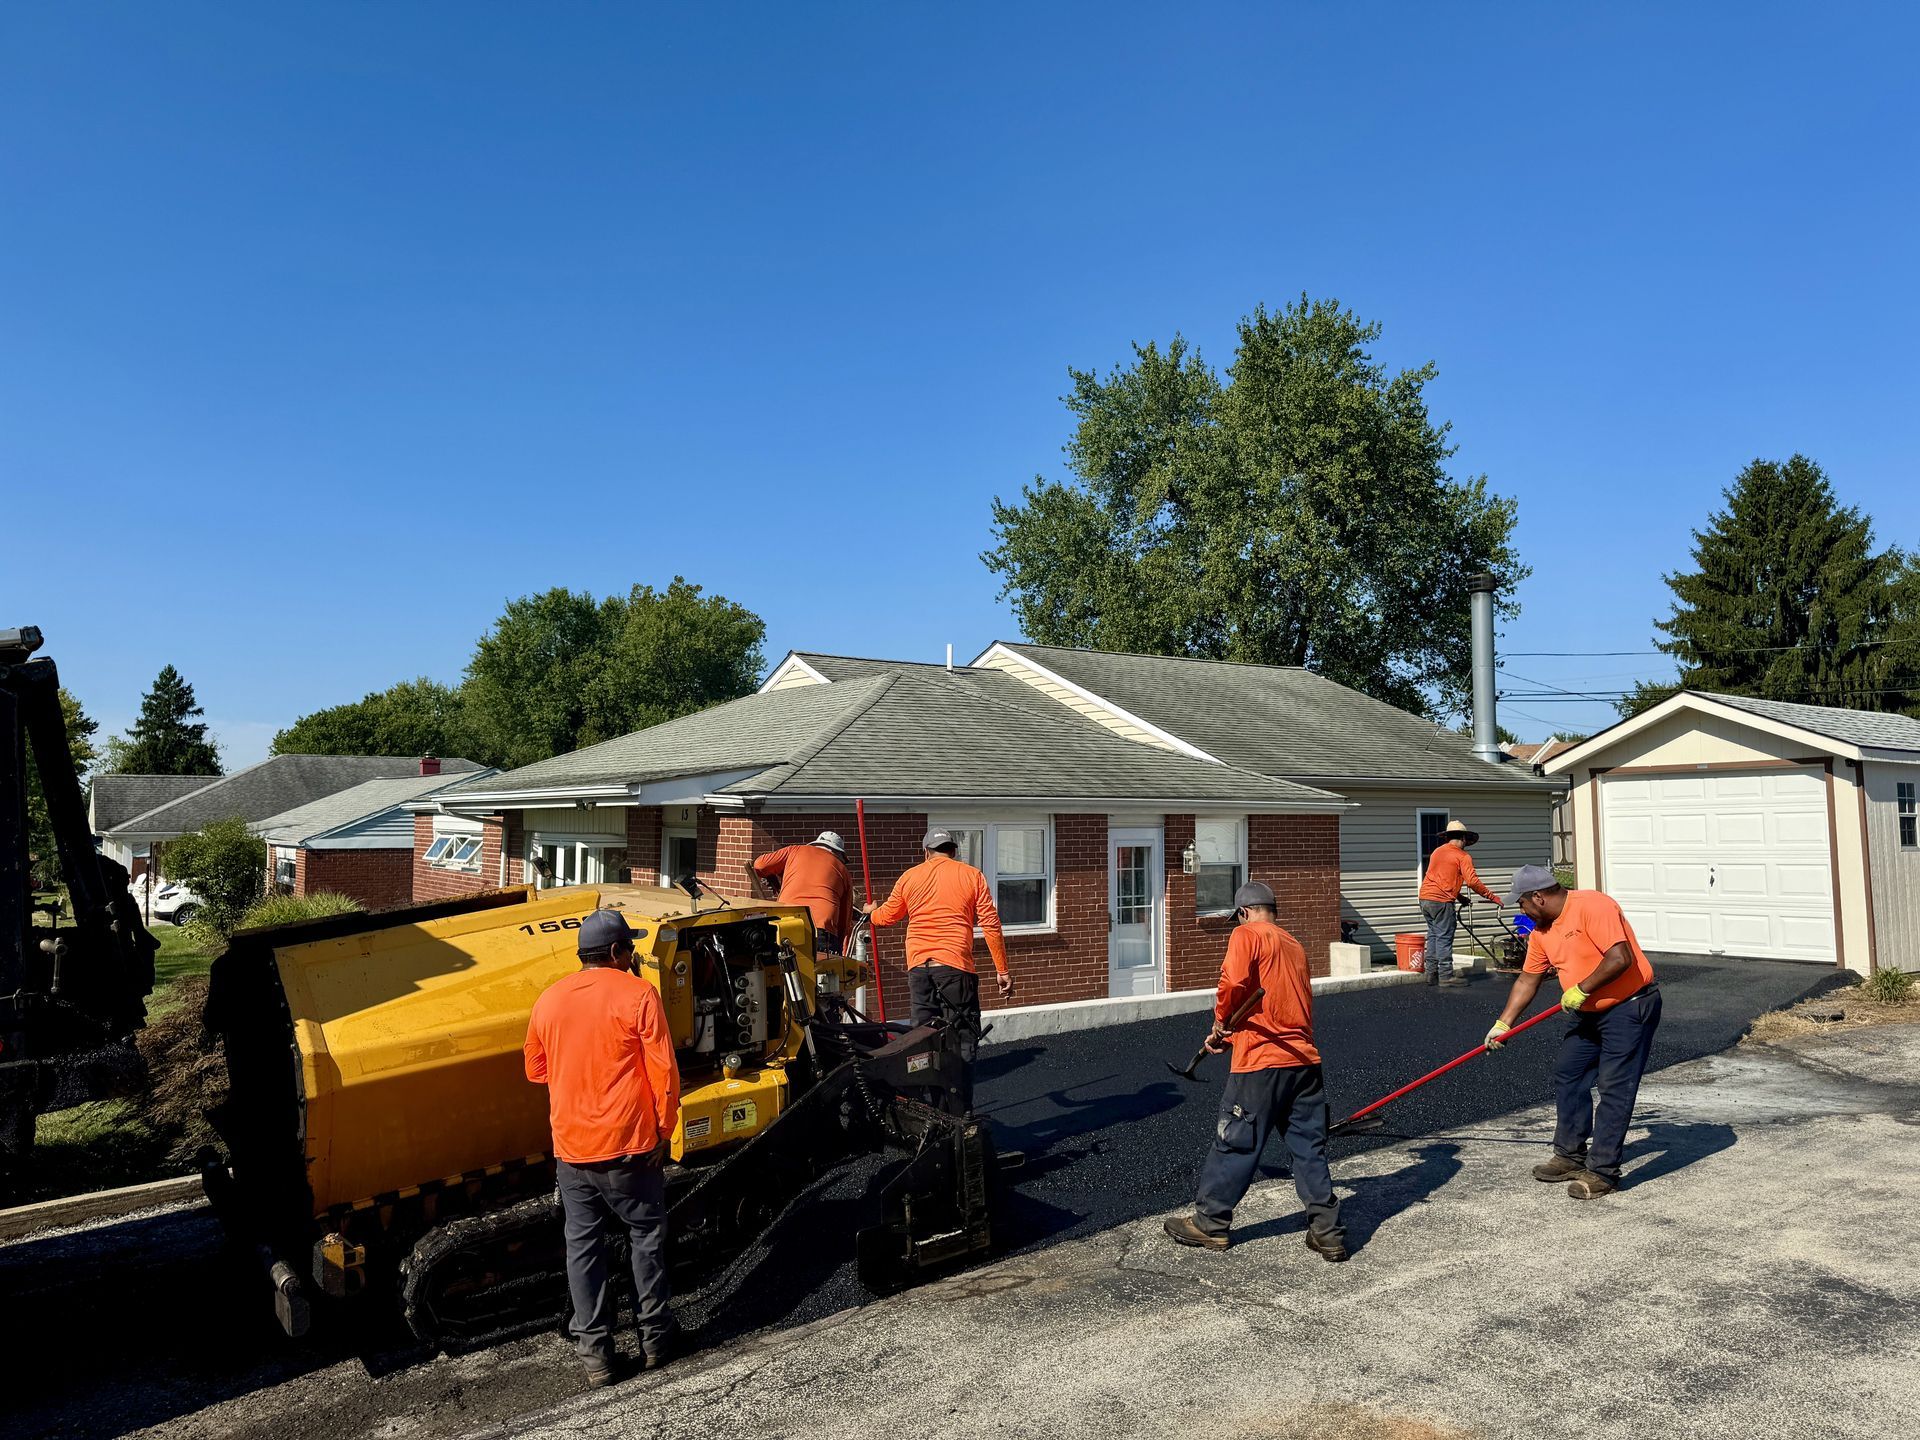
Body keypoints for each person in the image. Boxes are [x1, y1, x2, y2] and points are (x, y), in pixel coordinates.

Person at [523, 908, 682, 1385]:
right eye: (629, 948)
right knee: (646, 1238)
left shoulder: (549, 999)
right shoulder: (639, 994)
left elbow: (535, 1069)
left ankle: (596, 1358)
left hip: (572, 1151)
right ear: (617, 953)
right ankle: (655, 1340)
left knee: (584, 1249)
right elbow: (664, 1071)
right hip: (630, 1146)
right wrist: (663, 1129)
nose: (632, 955)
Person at [1163, 882, 1347, 1263]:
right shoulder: (1294, 945)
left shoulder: (1246, 934)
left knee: (1236, 1141)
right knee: (1309, 1147)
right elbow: (1283, 1006)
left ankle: (1210, 1223)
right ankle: (1328, 1232)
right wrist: (1228, 1036)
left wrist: (1219, 1024)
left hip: (1261, 1065)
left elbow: (1232, 984)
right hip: (1303, 1062)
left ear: (1244, 913)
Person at [1484, 865, 1660, 1200]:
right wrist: (1503, 1023)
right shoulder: (1541, 932)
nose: (1520, 911)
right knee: (1569, 1072)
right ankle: (1570, 1155)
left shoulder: (1593, 906)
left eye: (1521, 903)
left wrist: (1581, 988)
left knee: (1614, 1085)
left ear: (1538, 897)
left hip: (1629, 1006)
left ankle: (1603, 1172)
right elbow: (1527, 979)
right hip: (1588, 1012)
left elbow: (1619, 958)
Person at [865, 828, 1014, 1112]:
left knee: (922, 1040)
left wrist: (869, 911)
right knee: (963, 1039)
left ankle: (928, 1111)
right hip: (955, 969)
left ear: (926, 853)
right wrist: (1002, 970)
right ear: (954, 851)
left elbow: (885, 917)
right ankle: (959, 1111)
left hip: (919, 970)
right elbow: (991, 924)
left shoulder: (910, 877)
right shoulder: (971, 875)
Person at [1417, 819, 1500, 988]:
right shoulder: (1462, 856)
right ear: (1463, 837)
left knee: (1433, 935)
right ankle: (1446, 976)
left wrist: (1459, 897)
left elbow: (1441, 879)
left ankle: (1431, 973)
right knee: (1444, 937)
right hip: (1441, 901)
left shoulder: (1437, 852)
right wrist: (1492, 897)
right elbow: (1473, 882)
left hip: (1425, 898)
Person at [747, 831, 854, 954]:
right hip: (821, 928)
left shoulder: (795, 850)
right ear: (838, 854)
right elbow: (844, 922)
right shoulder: (843, 871)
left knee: (783, 968)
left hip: (787, 922)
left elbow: (760, 865)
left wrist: (773, 875)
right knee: (821, 971)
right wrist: (840, 950)